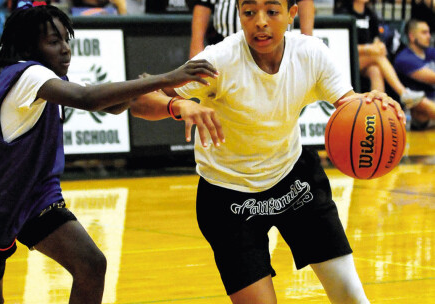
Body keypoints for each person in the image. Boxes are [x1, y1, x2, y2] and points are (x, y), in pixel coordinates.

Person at [0, 3, 218, 304]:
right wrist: (168, 78)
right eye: (54, 42)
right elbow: (89, 99)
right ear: (29, 47)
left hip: (31, 196)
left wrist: (166, 100)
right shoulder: (27, 75)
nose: (65, 49)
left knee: (91, 265)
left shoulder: (52, 82)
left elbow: (114, 104)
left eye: (66, 39)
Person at [130, 0, 406, 302]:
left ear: (291, 14)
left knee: (352, 297)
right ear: (239, 16)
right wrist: (176, 105)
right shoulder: (218, 60)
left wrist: (371, 102)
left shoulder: (311, 53)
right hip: (228, 197)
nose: (260, 22)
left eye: (272, 12)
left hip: (293, 181)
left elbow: (349, 105)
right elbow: (140, 98)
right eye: (249, 13)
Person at [335, 0, 426, 110]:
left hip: (367, 61)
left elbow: (376, 39)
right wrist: (368, 49)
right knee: (378, 57)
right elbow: (342, 45)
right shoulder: (343, 13)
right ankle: (403, 92)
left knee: (375, 70)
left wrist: (380, 47)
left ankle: (377, 111)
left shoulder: (371, 14)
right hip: (347, 59)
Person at [188, 0, 314, 58]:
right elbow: (203, 4)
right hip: (225, 46)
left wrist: (307, 42)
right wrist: (196, 46)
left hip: (276, 48)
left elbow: (305, 1)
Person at [394, 19, 435, 130]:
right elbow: (432, 78)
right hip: (418, 109)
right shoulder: (404, 58)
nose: (429, 36)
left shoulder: (430, 52)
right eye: (424, 32)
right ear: (412, 37)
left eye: (429, 32)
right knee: (420, 103)